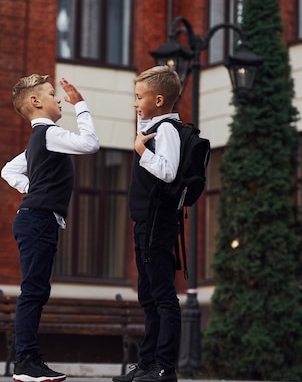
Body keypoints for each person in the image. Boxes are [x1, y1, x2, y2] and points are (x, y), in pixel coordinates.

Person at [1, 74, 99, 382]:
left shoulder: (39, 139)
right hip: (38, 219)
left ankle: (29, 360)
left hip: (37, 218)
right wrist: (81, 105)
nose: (59, 99)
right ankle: (26, 363)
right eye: (51, 94)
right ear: (36, 102)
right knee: (33, 291)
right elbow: (90, 144)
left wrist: (33, 186)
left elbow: (9, 170)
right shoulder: (48, 133)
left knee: (36, 290)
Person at [113, 65, 182, 382]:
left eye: (139, 97)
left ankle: (165, 367)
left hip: (158, 223)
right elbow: (143, 120)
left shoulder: (167, 130)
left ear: (158, 99)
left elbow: (168, 171)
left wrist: (142, 151)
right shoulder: (155, 125)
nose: (135, 102)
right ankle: (147, 363)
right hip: (145, 223)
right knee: (148, 295)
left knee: (163, 297)